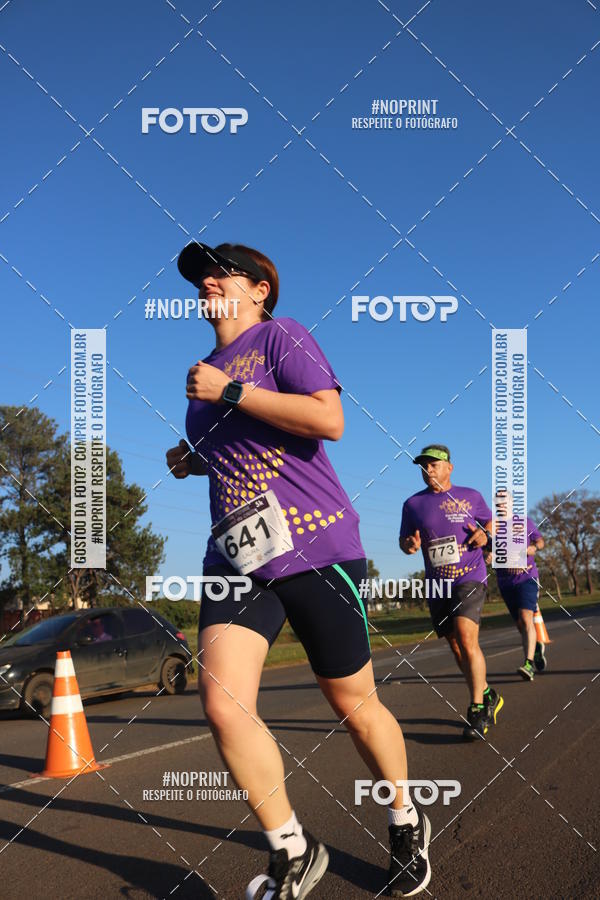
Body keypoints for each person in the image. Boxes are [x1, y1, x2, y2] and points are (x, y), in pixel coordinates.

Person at [165, 241, 432, 898]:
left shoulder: (280, 336)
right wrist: (193, 455)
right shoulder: (202, 374)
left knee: (353, 704)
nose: (205, 281)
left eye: (218, 272)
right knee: (223, 706)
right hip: (236, 555)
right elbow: (238, 446)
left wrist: (231, 389)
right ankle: (293, 847)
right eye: (200, 276)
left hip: (314, 546)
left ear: (258, 289)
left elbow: (326, 419)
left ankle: (404, 816)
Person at [399, 445, 504, 740]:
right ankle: (486, 692)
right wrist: (409, 545)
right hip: (437, 583)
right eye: (423, 466)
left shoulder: (470, 496)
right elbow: (404, 541)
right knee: (456, 647)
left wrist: (486, 535)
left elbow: (489, 522)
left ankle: (477, 709)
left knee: (467, 637)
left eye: (433, 465)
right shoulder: (412, 505)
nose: (428, 470)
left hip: (469, 576)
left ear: (449, 468)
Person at [489, 490, 546, 680]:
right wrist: (487, 556)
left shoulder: (524, 522)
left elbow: (540, 541)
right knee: (521, 625)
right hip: (505, 582)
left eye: (504, 499)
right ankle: (536, 647)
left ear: (511, 502)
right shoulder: (492, 528)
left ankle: (528, 664)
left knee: (525, 617)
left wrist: (534, 547)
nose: (501, 503)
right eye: (498, 500)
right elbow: (486, 550)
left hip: (526, 577)